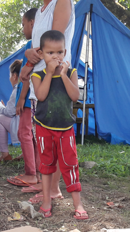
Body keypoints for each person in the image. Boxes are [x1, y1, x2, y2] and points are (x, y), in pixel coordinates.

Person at [16, 0, 75, 203]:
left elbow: (52, 44)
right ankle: (45, 183)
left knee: (53, 136)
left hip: (56, 81)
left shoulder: (62, 3)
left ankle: (53, 188)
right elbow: (38, 47)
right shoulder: (41, 11)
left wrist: (29, 61)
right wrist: (28, 54)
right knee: (40, 134)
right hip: (40, 79)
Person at [31, 30, 88, 220]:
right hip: (44, 126)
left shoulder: (71, 72)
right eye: (50, 53)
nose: (56, 57)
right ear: (41, 54)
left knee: (70, 164)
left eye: (60, 52)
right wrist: (49, 73)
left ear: (65, 52)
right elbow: (41, 96)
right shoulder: (37, 75)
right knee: (46, 165)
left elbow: (75, 96)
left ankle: (77, 204)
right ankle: (47, 201)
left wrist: (63, 75)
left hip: (65, 128)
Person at [7, 8, 39, 186]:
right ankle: (36, 169)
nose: (22, 29)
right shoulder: (41, 43)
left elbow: (26, 76)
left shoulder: (31, 46)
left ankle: (30, 173)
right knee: (32, 134)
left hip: (28, 99)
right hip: (33, 98)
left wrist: (21, 98)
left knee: (24, 133)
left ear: (32, 23)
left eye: (23, 24)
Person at [0, 60, 22, 162]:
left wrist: (0, 109)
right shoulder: (33, 87)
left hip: (23, 126)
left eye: (10, 76)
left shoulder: (17, 90)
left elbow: (9, 112)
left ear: (14, 76)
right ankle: (25, 153)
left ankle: (4, 154)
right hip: (33, 126)